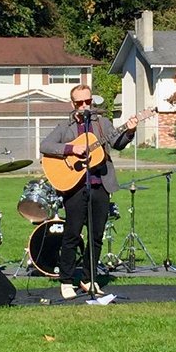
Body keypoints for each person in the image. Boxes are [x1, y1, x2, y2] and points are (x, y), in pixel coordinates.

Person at [40, 86, 138, 299]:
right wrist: (71, 149)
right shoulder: (65, 126)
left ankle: (88, 278)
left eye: (88, 102)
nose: (85, 106)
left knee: (96, 236)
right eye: (79, 103)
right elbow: (45, 145)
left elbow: (117, 143)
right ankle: (66, 280)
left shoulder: (102, 124)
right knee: (72, 235)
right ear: (72, 104)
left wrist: (129, 131)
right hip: (74, 187)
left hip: (100, 185)